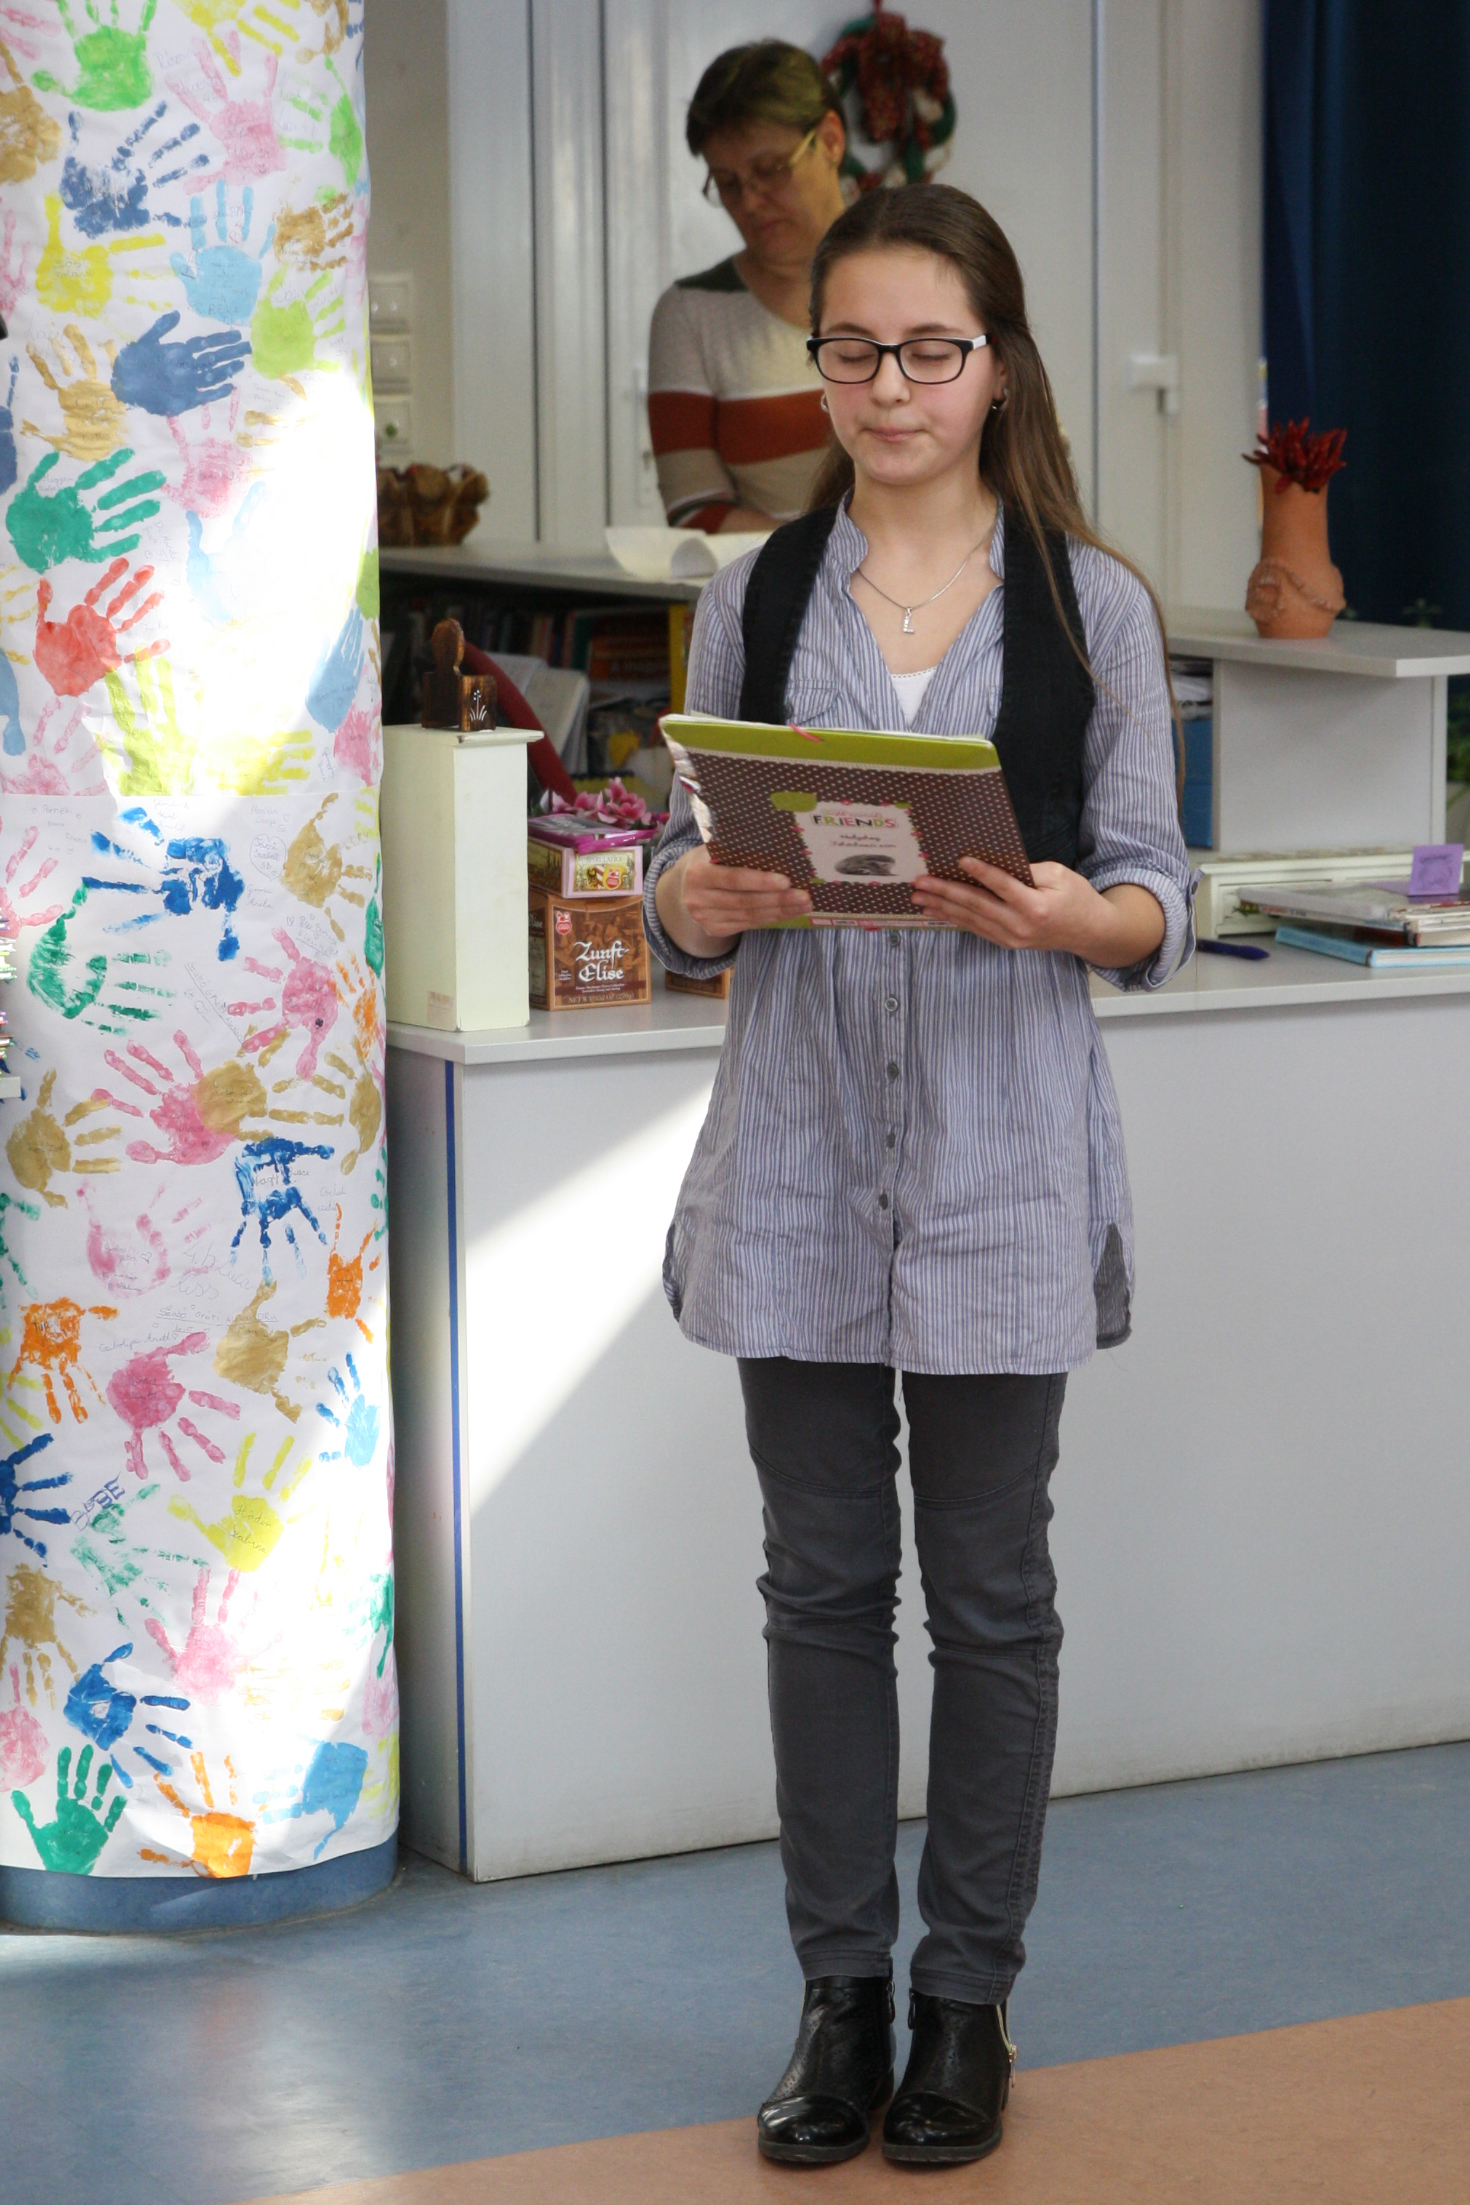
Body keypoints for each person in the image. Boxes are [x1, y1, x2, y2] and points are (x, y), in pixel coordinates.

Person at [644, 184, 1194, 2169]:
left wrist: (1073, 915)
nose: (891, 388)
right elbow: (680, 871)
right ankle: (838, 1999)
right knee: (817, 1590)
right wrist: (690, 899)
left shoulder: (1088, 605)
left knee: (989, 1597)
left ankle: (966, 2006)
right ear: (821, 369)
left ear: (998, 366)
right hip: (795, 1159)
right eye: (856, 351)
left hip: (998, 1158)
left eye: (931, 351)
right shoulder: (756, 595)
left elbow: (1158, 889)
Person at [648, 40, 847, 534]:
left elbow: (998, 458)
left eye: (770, 170)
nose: (751, 202)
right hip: (774, 581)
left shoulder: (921, 277)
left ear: (830, 140)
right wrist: (831, 564)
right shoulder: (691, 313)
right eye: (728, 183)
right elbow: (695, 510)